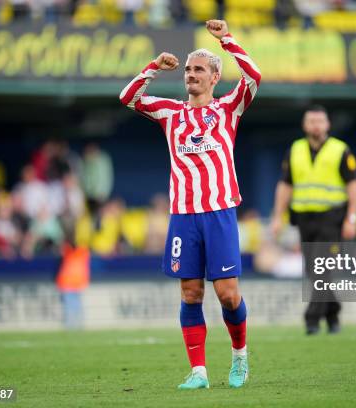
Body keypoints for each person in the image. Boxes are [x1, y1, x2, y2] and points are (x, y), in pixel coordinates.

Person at [119, 19, 260, 389]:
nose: (190, 75)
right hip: (183, 216)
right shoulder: (171, 113)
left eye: (198, 69)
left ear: (215, 77)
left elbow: (254, 76)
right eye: (187, 70)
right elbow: (128, 98)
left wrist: (227, 40)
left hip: (219, 212)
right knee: (190, 292)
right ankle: (198, 371)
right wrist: (152, 67)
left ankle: (240, 357)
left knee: (228, 294)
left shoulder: (229, 108)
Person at [270, 105, 356, 335]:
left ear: (327, 124)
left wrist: (352, 218)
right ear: (304, 125)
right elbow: (285, 184)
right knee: (314, 271)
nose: (316, 125)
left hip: (332, 217)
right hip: (303, 218)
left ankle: (312, 319)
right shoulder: (296, 149)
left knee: (322, 270)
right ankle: (333, 314)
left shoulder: (341, 150)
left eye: (320, 121)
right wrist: (277, 216)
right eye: (311, 121)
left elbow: (353, 185)